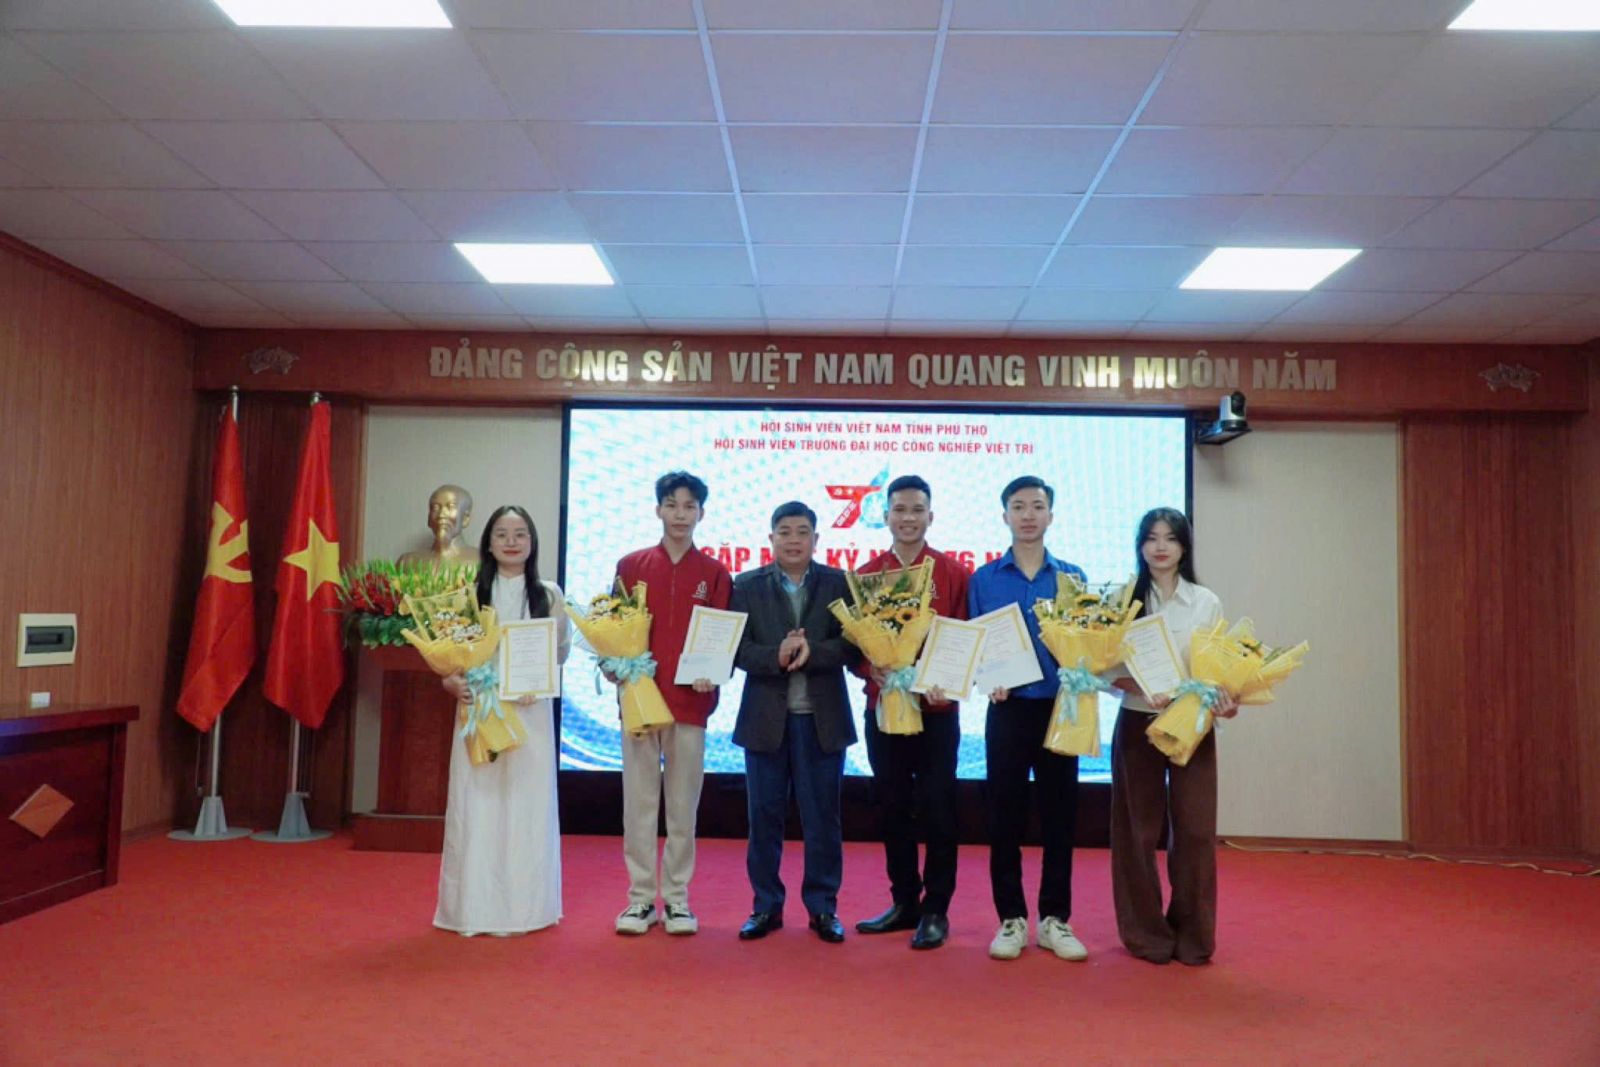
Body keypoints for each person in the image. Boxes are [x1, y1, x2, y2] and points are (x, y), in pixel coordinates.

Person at [967, 475, 1090, 962]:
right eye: (1018, 506)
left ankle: (1055, 918)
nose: (1028, 515)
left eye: (1037, 506)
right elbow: (975, 645)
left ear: (1050, 516)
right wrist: (987, 676)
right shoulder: (984, 579)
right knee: (1005, 816)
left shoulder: (1072, 578)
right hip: (1008, 710)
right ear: (1005, 516)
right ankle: (1011, 918)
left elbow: (1087, 643)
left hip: (1061, 710)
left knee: (1061, 817)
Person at [1107, 507, 1234, 965]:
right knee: (1136, 833)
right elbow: (1102, 670)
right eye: (1151, 538)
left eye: (1171, 538)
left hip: (1193, 725)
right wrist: (1137, 685)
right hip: (1137, 723)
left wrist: (1228, 697)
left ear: (1185, 546)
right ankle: (1145, 934)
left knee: (1196, 831)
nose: (1160, 547)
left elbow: (1219, 667)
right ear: (1140, 545)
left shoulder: (1206, 601)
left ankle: (1194, 934)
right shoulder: (1122, 600)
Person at [731, 501, 859, 943]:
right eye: (784, 532)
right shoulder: (746, 585)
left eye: (802, 532)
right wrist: (777, 655)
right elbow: (738, 650)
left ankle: (823, 908)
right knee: (764, 817)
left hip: (822, 720)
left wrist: (812, 651)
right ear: (771, 539)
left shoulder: (839, 584)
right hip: (765, 720)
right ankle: (765, 906)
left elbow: (853, 646)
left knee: (823, 819)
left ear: (816, 540)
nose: (793, 540)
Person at [436, 505, 567, 936]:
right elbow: (450, 660)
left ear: (533, 542)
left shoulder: (549, 594)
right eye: (502, 534)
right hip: (481, 711)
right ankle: (475, 909)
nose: (512, 542)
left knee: (527, 806)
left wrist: (538, 678)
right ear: (489, 543)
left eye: (521, 534)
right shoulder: (467, 594)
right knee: (480, 806)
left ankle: (527, 909)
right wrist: (452, 683)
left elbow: (560, 653)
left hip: (531, 713)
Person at [611, 472, 732, 937]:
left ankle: (678, 900)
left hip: (690, 704)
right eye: (671, 504)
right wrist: (613, 666)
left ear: (701, 513)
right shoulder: (630, 566)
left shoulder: (715, 574)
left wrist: (713, 672)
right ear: (658, 510)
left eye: (689, 506)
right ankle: (640, 899)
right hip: (640, 702)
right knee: (638, 805)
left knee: (683, 808)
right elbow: (612, 627)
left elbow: (723, 638)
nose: (680, 514)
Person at [851, 475, 969, 951]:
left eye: (917, 509)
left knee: (939, 807)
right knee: (893, 806)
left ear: (930, 516)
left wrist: (949, 680)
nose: (908, 518)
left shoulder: (953, 574)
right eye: (899, 509)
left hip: (936, 710)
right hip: (883, 708)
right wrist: (872, 669)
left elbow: (964, 637)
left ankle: (936, 908)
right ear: (885, 516)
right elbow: (851, 646)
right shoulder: (866, 576)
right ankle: (904, 901)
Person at [398, 484, 481, 567]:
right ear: (429, 518)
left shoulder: (481, 560)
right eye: (435, 508)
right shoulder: (407, 562)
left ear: (465, 518)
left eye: (450, 507)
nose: (441, 514)